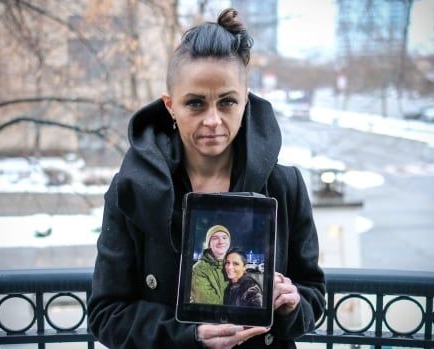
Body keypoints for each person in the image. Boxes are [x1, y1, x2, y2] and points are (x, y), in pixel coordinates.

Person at [87, 8, 326, 349]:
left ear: (245, 101)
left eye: (227, 102)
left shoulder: (284, 187)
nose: (213, 120)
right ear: (170, 106)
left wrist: (292, 304)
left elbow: (313, 297)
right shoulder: (132, 190)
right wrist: (190, 335)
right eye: (196, 104)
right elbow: (105, 312)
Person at [191, 225, 231, 304]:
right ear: (209, 244)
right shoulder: (199, 269)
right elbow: (208, 304)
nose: (221, 241)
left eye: (224, 237)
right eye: (215, 238)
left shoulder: (232, 265)